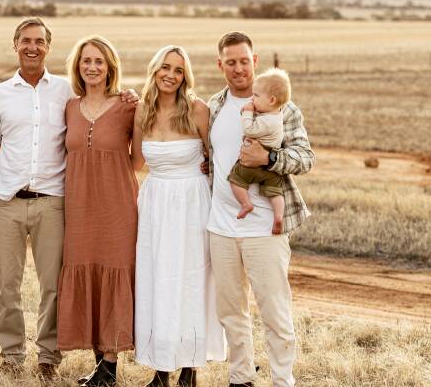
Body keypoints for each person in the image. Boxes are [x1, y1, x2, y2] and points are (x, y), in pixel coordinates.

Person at [0, 18, 137, 381]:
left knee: (53, 285)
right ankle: (11, 355)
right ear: (15, 44)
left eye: (39, 41)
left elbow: (103, 107)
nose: (32, 47)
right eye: (25, 40)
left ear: (48, 47)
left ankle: (48, 356)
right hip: (7, 201)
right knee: (8, 285)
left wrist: (128, 95)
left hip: (53, 202)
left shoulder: (65, 93)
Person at [207, 32, 314, 387]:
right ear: (220, 65)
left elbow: (305, 158)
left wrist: (268, 158)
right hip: (221, 227)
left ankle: (283, 380)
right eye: (230, 62)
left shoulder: (284, 108)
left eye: (244, 61)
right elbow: (209, 155)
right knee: (230, 311)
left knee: (274, 311)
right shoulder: (214, 106)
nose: (238, 68)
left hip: (265, 228)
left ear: (254, 61)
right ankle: (240, 377)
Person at [132, 46, 225, 387]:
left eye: (178, 70)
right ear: (154, 70)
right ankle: (160, 368)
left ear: (186, 76)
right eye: (165, 67)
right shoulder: (142, 110)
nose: (171, 75)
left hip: (192, 203)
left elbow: (216, 158)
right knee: (157, 280)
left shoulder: (198, 110)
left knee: (191, 280)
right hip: (155, 203)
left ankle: (189, 367)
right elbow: (134, 163)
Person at [56, 36, 137, 387]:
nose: (92, 67)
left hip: (117, 205)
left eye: (99, 61)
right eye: (86, 61)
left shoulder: (128, 106)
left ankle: (110, 365)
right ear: (78, 66)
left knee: (114, 272)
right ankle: (99, 365)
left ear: (110, 67)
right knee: (87, 273)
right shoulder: (69, 107)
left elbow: (139, 159)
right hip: (78, 207)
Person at [228, 68, 293, 234]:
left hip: (252, 166)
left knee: (235, 179)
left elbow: (249, 130)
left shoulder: (266, 121)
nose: (252, 99)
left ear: (271, 100)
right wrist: (256, 108)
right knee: (275, 192)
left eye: (256, 96)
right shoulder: (276, 115)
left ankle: (245, 203)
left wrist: (248, 112)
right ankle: (279, 216)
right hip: (271, 171)